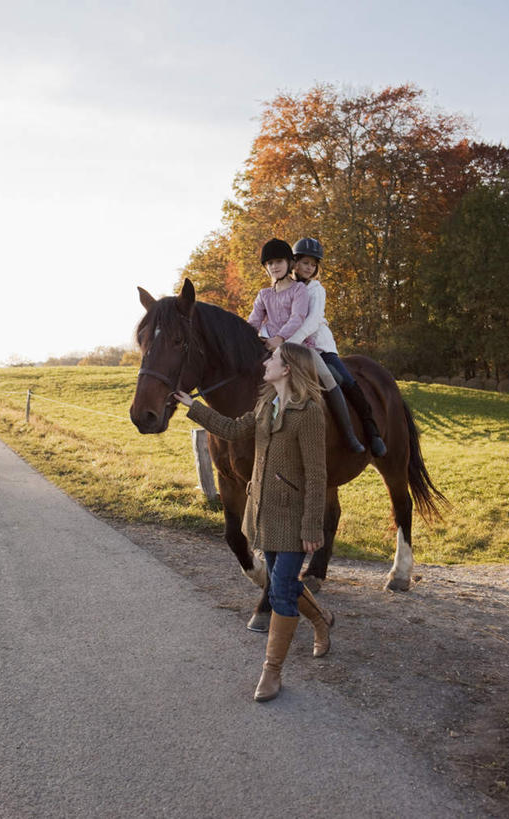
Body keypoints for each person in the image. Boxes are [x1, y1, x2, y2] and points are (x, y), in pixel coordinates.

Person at [174, 342, 334, 703]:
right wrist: (192, 406)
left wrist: (312, 526)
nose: (267, 362)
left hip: (293, 517)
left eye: (274, 358)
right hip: (266, 512)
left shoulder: (309, 413)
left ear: (289, 368)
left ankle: (271, 672)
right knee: (285, 583)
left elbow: (317, 474)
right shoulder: (266, 404)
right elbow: (231, 429)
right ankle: (321, 620)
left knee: (279, 590)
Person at [248, 238, 365, 454]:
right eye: (270, 263)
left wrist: (280, 339)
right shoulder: (263, 295)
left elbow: (298, 318)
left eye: (279, 262)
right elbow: (254, 320)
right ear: (266, 267)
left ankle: (348, 434)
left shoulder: (300, 290)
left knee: (329, 379)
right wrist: (246, 336)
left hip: (301, 346)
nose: (275, 266)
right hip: (272, 348)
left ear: (289, 263)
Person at [288, 237, 387, 458]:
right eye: (306, 263)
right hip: (290, 346)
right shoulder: (286, 287)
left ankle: (369, 431)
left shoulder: (316, 289)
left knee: (345, 381)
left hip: (319, 347)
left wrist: (289, 342)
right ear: (294, 263)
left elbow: (313, 321)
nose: (310, 268)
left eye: (313, 265)